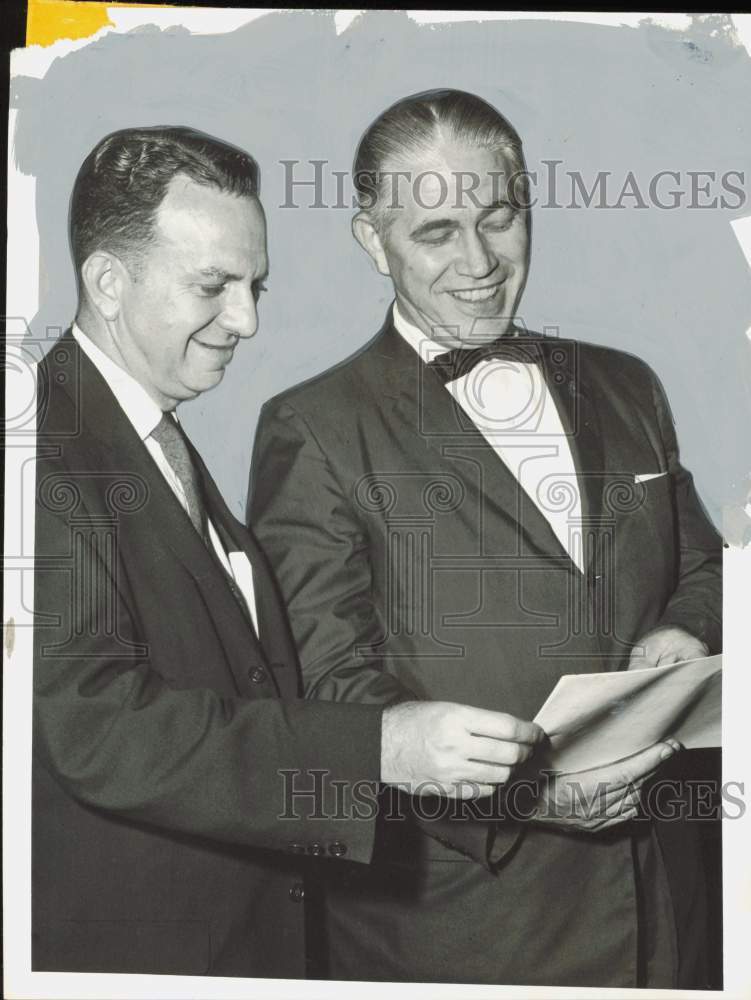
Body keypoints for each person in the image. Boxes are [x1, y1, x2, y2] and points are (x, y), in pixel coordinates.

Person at [32, 125, 547, 978]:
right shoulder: (40, 448)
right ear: (108, 281)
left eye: (255, 285)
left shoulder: (141, 435)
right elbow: (94, 726)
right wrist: (378, 747)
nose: (247, 320)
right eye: (214, 286)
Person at [248, 90, 722, 988]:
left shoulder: (626, 384)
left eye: (499, 218)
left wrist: (686, 631)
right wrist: (522, 797)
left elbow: (701, 564)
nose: (478, 262)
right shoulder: (310, 427)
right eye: (434, 232)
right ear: (369, 239)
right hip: (467, 931)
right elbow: (326, 686)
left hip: (672, 911)